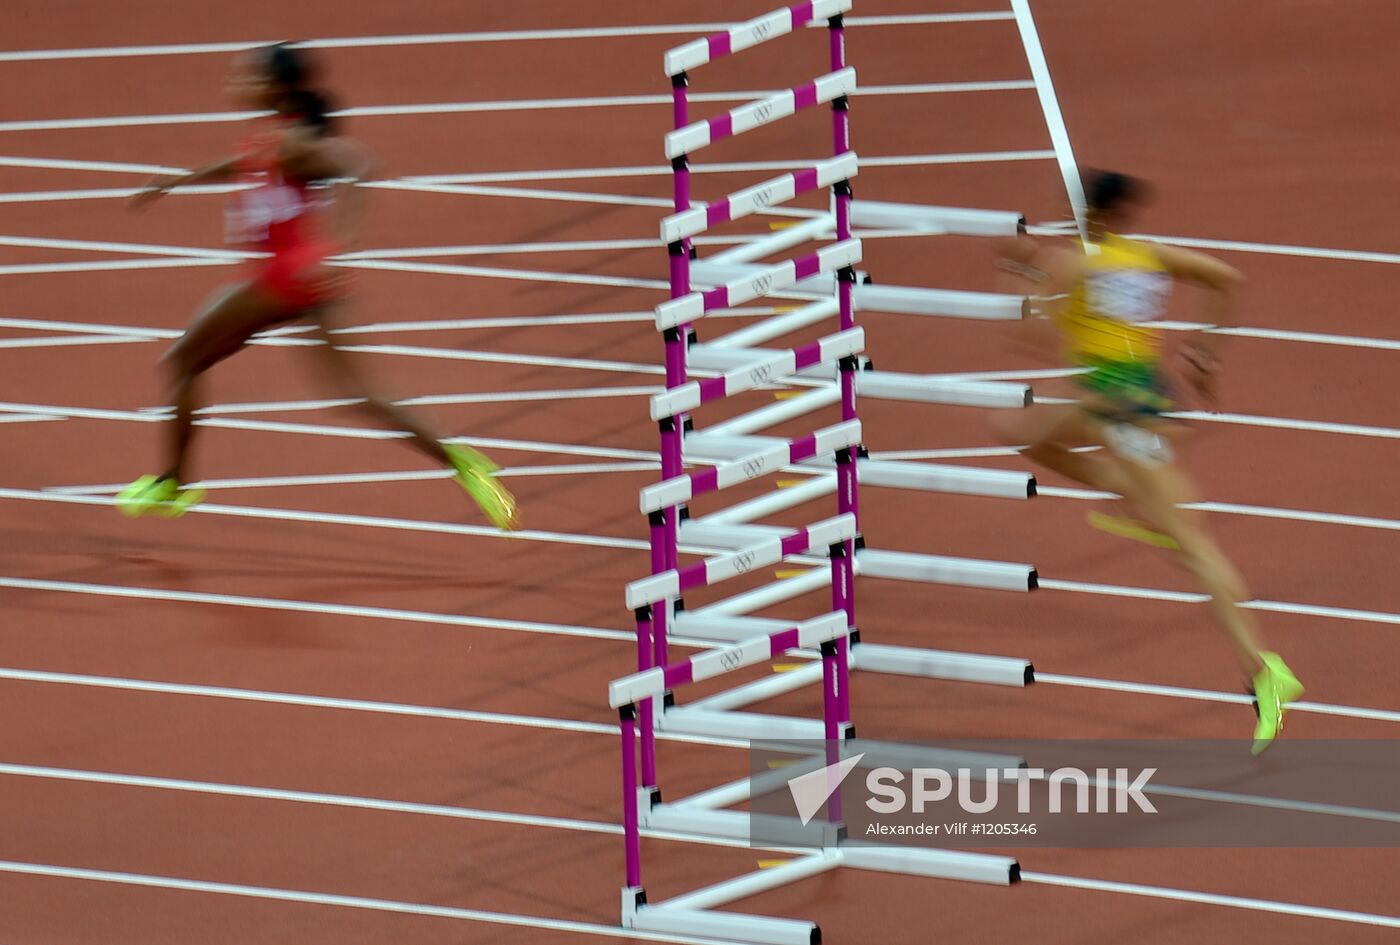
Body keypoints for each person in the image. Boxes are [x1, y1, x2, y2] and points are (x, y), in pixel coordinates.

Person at [118, 43, 518, 531]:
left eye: (248, 76)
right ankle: (461, 461)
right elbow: (245, 165)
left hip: (286, 276)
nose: (237, 83)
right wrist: (182, 179)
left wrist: (338, 244)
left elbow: (360, 164)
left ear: (276, 86)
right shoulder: (274, 136)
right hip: (308, 280)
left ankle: (173, 485)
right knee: (359, 394)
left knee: (182, 359)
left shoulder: (295, 142)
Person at [993, 171, 1302, 753]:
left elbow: (1031, 337)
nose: (1064, 212)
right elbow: (1224, 278)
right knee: (1028, 433)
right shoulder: (1144, 254)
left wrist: (1018, 269)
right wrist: (1204, 351)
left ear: (1094, 214)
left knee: (1193, 547)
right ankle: (1128, 492)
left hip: (1122, 414)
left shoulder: (1074, 267)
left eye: (1072, 206)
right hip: (1136, 396)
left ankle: (1265, 673)